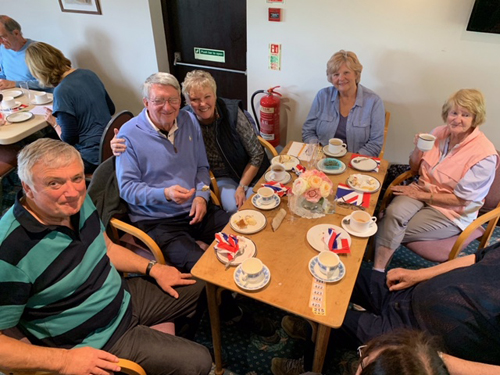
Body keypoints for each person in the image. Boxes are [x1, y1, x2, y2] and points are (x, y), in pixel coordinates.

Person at [0, 138, 212, 375]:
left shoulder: (77, 203)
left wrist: (153, 268)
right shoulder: (8, 250)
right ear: (28, 188)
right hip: (97, 340)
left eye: (77, 178)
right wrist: (64, 361)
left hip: (121, 295)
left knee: (204, 284)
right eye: (54, 183)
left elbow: (107, 247)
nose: (71, 192)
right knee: (199, 361)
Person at [272, 241, 500, 375]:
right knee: (339, 273)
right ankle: (312, 330)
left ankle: (310, 350)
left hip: (418, 336)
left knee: (329, 323)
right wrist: (417, 275)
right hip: (411, 291)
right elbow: (477, 257)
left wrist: (428, 357)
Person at [115, 72, 230, 272]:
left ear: (180, 100)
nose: (167, 107)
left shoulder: (189, 120)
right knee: (205, 269)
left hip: (196, 208)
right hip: (159, 220)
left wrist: (202, 196)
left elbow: (202, 167)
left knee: (242, 233)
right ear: (146, 102)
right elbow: (127, 189)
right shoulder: (128, 135)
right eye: (159, 101)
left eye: (173, 100)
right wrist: (165, 194)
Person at [112, 69, 269, 213]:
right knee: (242, 211)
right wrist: (121, 139)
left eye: (207, 96)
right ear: (185, 101)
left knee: (266, 203)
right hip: (218, 178)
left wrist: (241, 186)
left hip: (246, 170)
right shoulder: (185, 118)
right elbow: (148, 129)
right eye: (194, 99)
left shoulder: (229, 113)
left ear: (215, 95)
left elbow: (256, 154)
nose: (202, 104)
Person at [374, 89, 498, 269]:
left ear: (475, 118)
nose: (457, 119)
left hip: (452, 211)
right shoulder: (438, 133)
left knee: (390, 225)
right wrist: (418, 149)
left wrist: (421, 196)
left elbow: (461, 199)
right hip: (422, 190)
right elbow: (415, 168)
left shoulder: (484, 155)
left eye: (465, 114)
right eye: (454, 112)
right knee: (394, 215)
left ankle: (377, 272)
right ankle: (379, 271)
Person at [25, 42, 115, 174]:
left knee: (40, 162)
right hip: (110, 146)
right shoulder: (89, 73)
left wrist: (54, 123)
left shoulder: (62, 91)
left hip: (90, 158)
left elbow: (69, 138)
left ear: (40, 72)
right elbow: (111, 109)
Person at [302, 50, 385, 157]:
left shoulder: (374, 101)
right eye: (336, 74)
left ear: (356, 74)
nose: (341, 78)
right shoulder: (322, 96)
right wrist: (319, 152)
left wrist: (351, 161)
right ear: (331, 78)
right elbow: (308, 131)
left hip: (357, 163)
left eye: (346, 72)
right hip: (322, 159)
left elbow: (375, 144)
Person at [0, 15, 49, 91]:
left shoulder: (37, 51)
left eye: (2, 37)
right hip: (11, 95)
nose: (0, 42)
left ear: (16, 33)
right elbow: (4, 75)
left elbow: (47, 82)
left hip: (35, 97)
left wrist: (15, 83)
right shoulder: (3, 49)